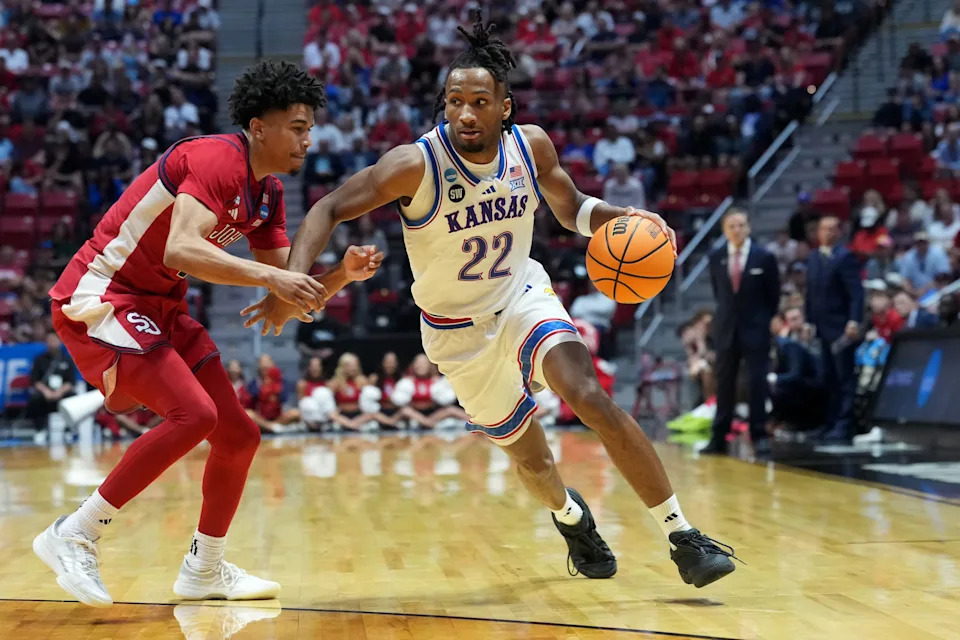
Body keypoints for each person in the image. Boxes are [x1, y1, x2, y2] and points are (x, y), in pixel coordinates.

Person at [245, 20, 738, 588]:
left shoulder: (531, 146)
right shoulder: (415, 164)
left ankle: (683, 536)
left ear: (505, 107)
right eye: (455, 101)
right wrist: (292, 280)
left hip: (521, 296)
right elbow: (327, 208)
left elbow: (572, 207)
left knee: (589, 397)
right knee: (535, 464)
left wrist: (623, 219)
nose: (466, 113)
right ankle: (571, 517)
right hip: (457, 334)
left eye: (480, 101)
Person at [33, 60, 383, 608]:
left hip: (161, 306)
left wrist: (341, 274)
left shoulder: (266, 195)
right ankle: (74, 532)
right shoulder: (217, 157)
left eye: (310, 128)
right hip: (103, 292)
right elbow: (182, 249)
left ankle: (205, 568)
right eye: (297, 126)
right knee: (195, 415)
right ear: (257, 125)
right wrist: (271, 275)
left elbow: (283, 300)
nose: (308, 139)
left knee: (239, 435)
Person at [702, 209, 780, 456]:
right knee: (724, 382)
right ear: (725, 230)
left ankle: (759, 435)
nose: (737, 230)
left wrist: (762, 321)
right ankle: (719, 436)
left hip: (756, 329)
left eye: (741, 225)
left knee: (757, 381)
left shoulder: (764, 256)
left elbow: (773, 295)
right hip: (726, 329)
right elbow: (719, 294)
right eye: (732, 226)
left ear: (748, 228)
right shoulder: (716, 256)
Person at [805, 216, 865, 442]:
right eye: (824, 228)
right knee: (827, 377)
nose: (828, 232)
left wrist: (853, 321)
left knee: (844, 376)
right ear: (818, 232)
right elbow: (810, 294)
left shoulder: (845, 257)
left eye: (832, 229)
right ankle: (829, 421)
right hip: (821, 326)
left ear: (839, 232)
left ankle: (844, 423)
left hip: (841, 327)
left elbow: (856, 293)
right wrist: (809, 321)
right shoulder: (813, 258)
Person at [27, 332, 77, 431]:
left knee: (72, 397)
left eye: (54, 340)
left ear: (60, 341)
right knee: (35, 399)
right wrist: (46, 392)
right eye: (49, 341)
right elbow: (35, 380)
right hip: (45, 393)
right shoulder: (39, 360)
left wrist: (59, 392)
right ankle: (40, 430)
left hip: (61, 392)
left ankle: (69, 430)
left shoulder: (67, 359)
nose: (52, 343)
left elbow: (70, 382)